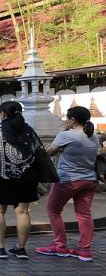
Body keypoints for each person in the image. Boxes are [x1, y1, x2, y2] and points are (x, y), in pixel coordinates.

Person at [37, 106, 100, 262]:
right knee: (84, 214)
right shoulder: (94, 137)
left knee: (53, 210)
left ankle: (59, 245)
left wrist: (60, 132)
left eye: (67, 118)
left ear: (72, 120)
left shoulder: (67, 135)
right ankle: (84, 250)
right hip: (89, 179)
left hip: (68, 179)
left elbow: (48, 152)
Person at [0, 101, 41, 260]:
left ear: (3, 114)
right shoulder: (28, 130)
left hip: (4, 176)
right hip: (27, 177)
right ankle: (21, 249)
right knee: (22, 211)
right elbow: (37, 152)